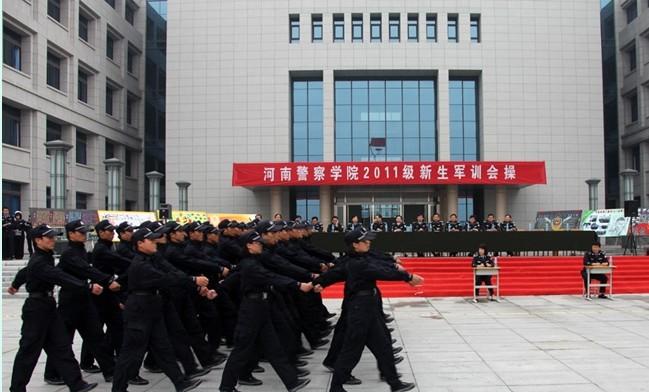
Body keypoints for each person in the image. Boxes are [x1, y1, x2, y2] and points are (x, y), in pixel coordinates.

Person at [316, 228, 421, 392]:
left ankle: (395, 383)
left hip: (367, 306)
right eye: (365, 241)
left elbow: (337, 272)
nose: (368, 243)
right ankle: (336, 387)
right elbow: (381, 272)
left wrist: (321, 282)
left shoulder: (358, 258)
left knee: (384, 347)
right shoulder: (358, 264)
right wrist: (407, 277)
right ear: (355, 245)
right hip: (359, 309)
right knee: (351, 350)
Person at [111, 228, 206, 392]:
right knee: (130, 353)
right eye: (151, 240)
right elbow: (166, 278)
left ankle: (180, 383)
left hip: (152, 307)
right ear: (140, 243)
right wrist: (193, 280)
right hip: (139, 310)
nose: (155, 242)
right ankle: (118, 389)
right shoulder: (141, 265)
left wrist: (193, 282)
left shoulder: (152, 258)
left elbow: (171, 271)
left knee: (164, 348)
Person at [218, 230, 312, 392]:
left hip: (260, 308)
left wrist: (216, 290)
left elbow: (233, 278)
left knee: (274, 348)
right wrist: (297, 285)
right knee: (241, 350)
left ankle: (292, 382)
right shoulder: (250, 265)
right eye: (257, 243)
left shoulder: (252, 261)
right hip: (251, 310)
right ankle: (226, 387)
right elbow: (270, 277)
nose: (260, 244)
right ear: (249, 245)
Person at [10, 224, 98, 392]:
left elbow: (25, 271)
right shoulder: (39, 261)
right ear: (37, 240)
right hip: (36, 309)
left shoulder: (44, 257)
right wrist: (86, 286)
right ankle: (17, 388)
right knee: (29, 351)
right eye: (49, 237)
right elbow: (58, 276)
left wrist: (15, 283)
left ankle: (76, 384)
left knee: (62, 346)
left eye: (54, 237)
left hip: (48, 306)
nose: (53, 240)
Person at [42, 219, 119, 385]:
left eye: (85, 232)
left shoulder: (81, 250)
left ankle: (110, 371)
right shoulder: (70, 253)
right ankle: (52, 373)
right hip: (70, 302)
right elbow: (86, 270)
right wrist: (107, 280)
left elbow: (88, 269)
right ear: (71, 234)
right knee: (63, 340)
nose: (84, 234)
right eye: (81, 232)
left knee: (96, 336)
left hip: (84, 300)